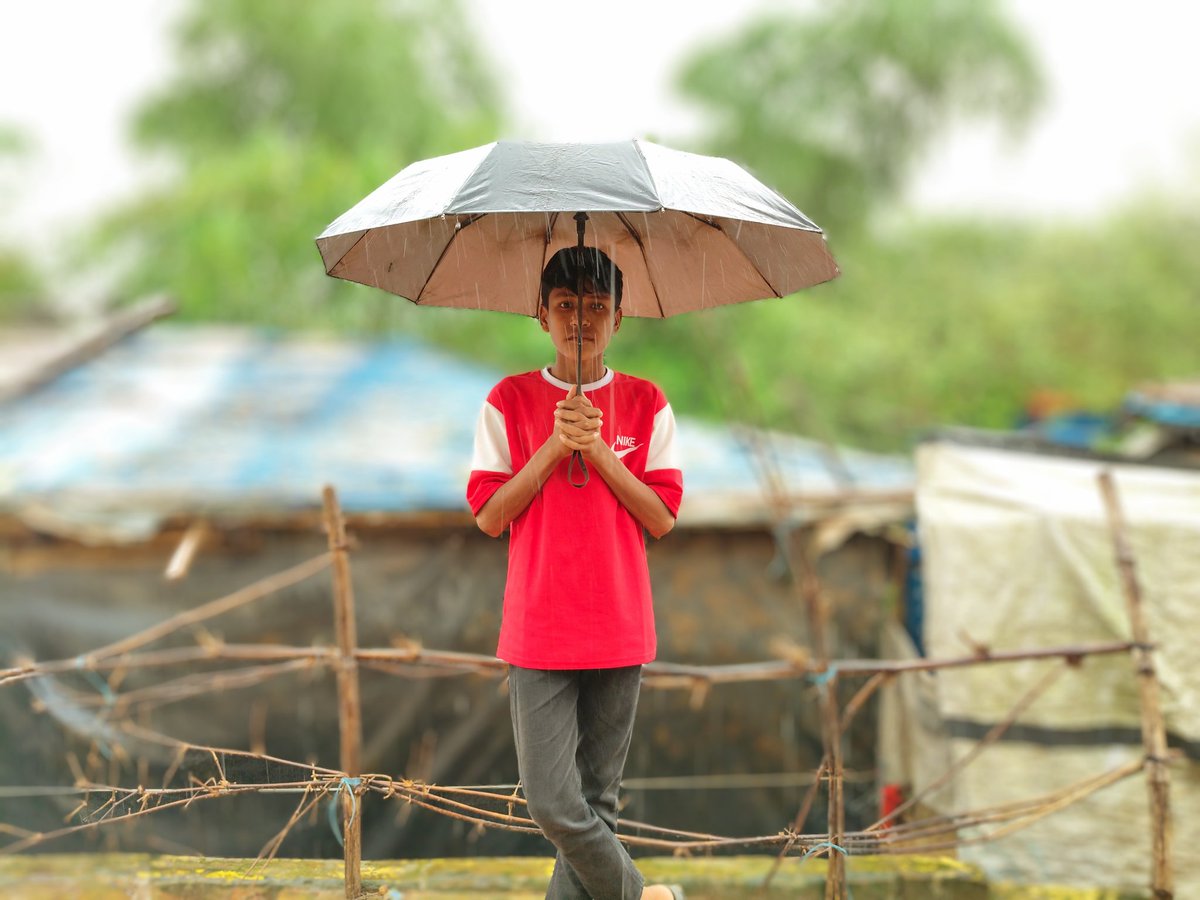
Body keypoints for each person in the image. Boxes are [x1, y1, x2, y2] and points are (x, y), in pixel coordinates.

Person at [466, 246, 685, 900]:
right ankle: (643, 896)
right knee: (553, 804)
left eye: (595, 307)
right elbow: (488, 513)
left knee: (599, 804)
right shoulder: (508, 400)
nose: (580, 320)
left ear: (618, 317)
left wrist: (600, 452)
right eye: (566, 306)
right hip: (539, 631)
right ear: (542, 314)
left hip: (620, 626)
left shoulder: (647, 404)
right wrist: (555, 446)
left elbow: (663, 516)